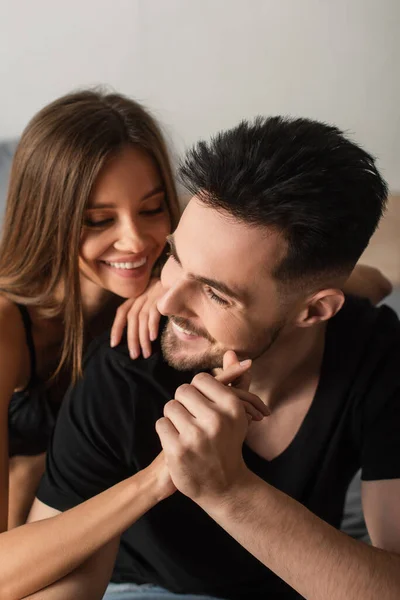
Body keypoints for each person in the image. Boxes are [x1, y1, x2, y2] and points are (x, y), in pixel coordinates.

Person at [28, 116, 400, 600]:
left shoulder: (376, 356)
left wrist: (228, 489)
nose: (164, 303)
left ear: (314, 310)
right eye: (174, 259)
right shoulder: (127, 369)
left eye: (215, 294)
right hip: (139, 587)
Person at [0, 88, 187, 596]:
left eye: (152, 209)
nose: (136, 240)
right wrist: (154, 480)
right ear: (48, 217)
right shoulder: (7, 327)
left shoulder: (174, 273)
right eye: (99, 220)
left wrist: (178, 282)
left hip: (97, 552)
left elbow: (363, 281)